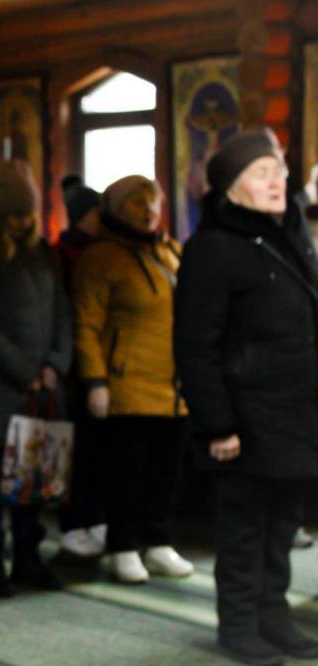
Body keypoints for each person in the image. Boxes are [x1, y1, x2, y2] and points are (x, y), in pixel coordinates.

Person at [175, 128, 318, 665]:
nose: (278, 180)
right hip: (243, 419)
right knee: (243, 533)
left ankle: (273, 618)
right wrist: (217, 425)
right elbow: (195, 346)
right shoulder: (212, 249)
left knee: (282, 527)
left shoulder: (287, 235)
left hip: (292, 413)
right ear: (231, 187)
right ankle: (238, 627)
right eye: (262, 173)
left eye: (279, 170)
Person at [0, 160, 71, 597]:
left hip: (40, 387)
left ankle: (27, 556)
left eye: (29, 214)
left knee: (33, 479)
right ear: (1, 214)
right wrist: (25, 371)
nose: (24, 223)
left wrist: (56, 364)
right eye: (17, 215)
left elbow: (63, 310)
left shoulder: (42, 250)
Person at [73, 175, 193, 584]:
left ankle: (158, 542)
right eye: (137, 203)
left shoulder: (170, 251)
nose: (149, 211)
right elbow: (86, 325)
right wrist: (95, 381)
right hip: (126, 385)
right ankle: (123, 547)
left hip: (173, 385)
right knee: (126, 473)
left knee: (166, 471)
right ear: (116, 209)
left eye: (154, 202)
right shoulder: (102, 258)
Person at [55, 182, 107, 559]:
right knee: (79, 451)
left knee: (100, 451)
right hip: (75, 369)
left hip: (102, 365)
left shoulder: (107, 251)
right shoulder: (64, 255)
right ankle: (75, 523)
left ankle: (97, 519)